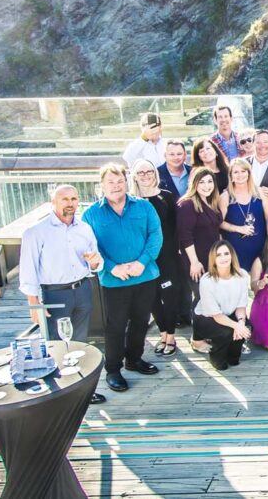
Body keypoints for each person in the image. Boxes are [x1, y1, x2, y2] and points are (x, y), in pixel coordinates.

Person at [18, 184, 107, 403]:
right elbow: (28, 270)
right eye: (64, 199)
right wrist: (34, 304)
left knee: (79, 343)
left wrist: (95, 263)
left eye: (74, 199)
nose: (70, 203)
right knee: (56, 345)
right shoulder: (36, 232)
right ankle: (58, 394)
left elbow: (95, 262)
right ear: (53, 203)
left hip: (83, 289)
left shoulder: (84, 228)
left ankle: (80, 390)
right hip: (55, 295)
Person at [82, 163, 162, 393]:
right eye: (111, 182)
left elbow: (155, 235)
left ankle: (134, 360)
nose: (116, 186)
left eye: (120, 181)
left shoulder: (144, 207)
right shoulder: (91, 214)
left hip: (144, 275)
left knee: (141, 321)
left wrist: (142, 262)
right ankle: (113, 369)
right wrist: (111, 267)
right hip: (114, 280)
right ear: (102, 185)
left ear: (126, 182)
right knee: (115, 326)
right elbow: (89, 246)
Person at [129, 160, 180, 357]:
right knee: (152, 297)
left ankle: (172, 336)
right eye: (140, 172)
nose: (145, 175)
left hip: (166, 255)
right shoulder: (130, 200)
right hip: (143, 258)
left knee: (169, 295)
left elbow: (175, 227)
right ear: (134, 175)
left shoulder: (165, 196)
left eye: (149, 171)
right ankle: (163, 333)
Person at [177, 167, 224, 355]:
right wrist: (194, 262)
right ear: (194, 184)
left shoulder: (211, 202)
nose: (206, 186)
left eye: (210, 182)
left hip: (212, 260)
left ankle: (208, 333)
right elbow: (185, 236)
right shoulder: (187, 204)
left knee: (211, 299)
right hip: (197, 262)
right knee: (201, 300)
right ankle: (196, 339)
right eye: (202, 182)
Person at [194, 240, 251, 370]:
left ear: (232, 255)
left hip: (230, 313)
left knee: (246, 327)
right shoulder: (207, 280)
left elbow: (241, 306)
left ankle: (233, 353)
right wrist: (236, 326)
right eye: (219, 255)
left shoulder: (242, 275)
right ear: (213, 259)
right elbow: (217, 315)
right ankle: (216, 356)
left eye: (226, 253)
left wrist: (241, 323)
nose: (224, 257)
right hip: (206, 318)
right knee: (226, 333)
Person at [219, 158, 268, 274]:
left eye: (243, 171)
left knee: (260, 283)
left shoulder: (260, 193)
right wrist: (239, 229)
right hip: (235, 248)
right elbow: (219, 222)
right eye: (236, 172)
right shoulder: (225, 196)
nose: (240, 175)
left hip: (260, 245)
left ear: (249, 173)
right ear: (231, 176)